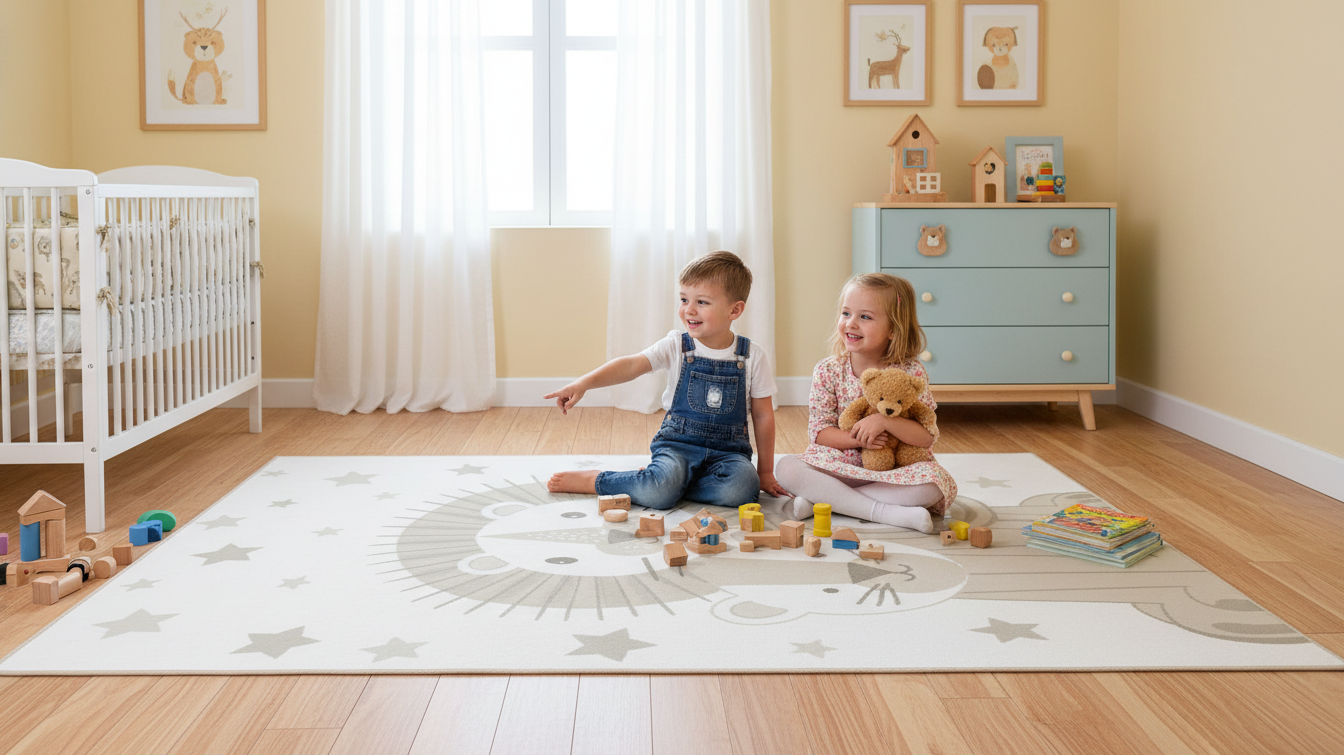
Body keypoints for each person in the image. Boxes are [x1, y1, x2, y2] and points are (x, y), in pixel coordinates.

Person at [545, 251, 790, 508]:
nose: (689, 310)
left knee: (743, 489)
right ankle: (601, 481)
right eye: (684, 299)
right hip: (677, 447)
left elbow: (763, 416)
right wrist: (583, 383)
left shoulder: (752, 356)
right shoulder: (676, 346)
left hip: (728, 454)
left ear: (735, 309)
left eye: (702, 302)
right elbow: (631, 365)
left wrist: (765, 472)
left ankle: (662, 483)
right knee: (661, 491)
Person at [775, 273, 957, 533]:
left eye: (865, 317)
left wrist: (885, 422)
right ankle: (885, 512)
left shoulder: (911, 372)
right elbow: (820, 433)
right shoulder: (828, 370)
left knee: (934, 485)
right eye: (846, 313)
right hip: (840, 466)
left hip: (892, 472)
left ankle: (826, 501)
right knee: (786, 468)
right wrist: (860, 440)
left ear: (893, 329)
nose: (851, 323)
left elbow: (926, 437)